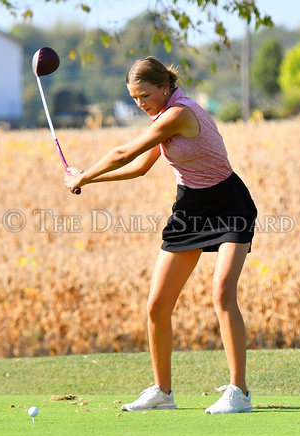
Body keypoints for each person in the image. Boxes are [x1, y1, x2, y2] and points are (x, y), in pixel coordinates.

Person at [64, 56, 257, 415]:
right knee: (157, 304)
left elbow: (124, 152)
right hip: (190, 211)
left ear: (165, 87)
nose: (141, 104)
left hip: (231, 206)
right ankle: (163, 392)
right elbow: (138, 167)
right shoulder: (161, 117)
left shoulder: (179, 114)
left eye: (145, 95)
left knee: (222, 293)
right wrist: (88, 178)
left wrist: (84, 174)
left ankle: (240, 392)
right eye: (135, 98)